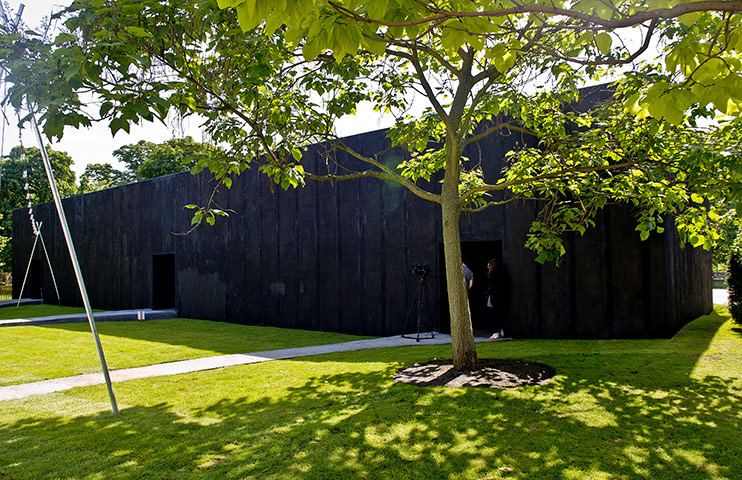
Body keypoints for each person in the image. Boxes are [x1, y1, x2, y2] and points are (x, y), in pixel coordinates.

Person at [485, 258, 506, 340]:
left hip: (495, 297)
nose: (487, 265)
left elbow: (493, 287)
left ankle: (496, 332)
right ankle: (497, 332)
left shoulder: (494, 274)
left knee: (495, 314)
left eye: (489, 264)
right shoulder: (496, 274)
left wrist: (489, 293)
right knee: (496, 314)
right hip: (496, 297)